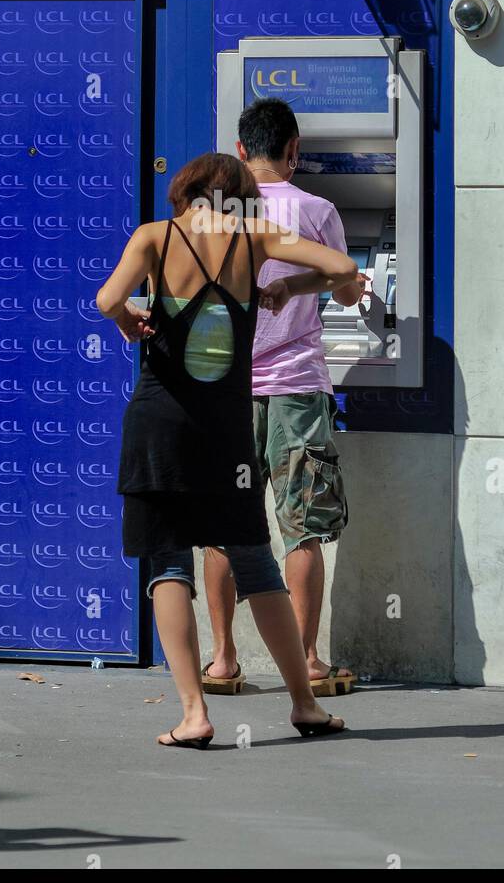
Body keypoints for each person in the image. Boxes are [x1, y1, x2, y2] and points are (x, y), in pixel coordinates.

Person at [95, 150, 360, 748]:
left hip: (158, 425)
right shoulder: (256, 237)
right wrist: (293, 285)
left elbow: (107, 300)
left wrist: (130, 321)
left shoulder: (154, 238)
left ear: (187, 192)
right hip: (227, 433)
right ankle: (303, 705)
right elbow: (343, 266)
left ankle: (194, 714)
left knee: (167, 564)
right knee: (257, 564)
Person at [203, 99, 366, 697]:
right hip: (298, 386)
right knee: (303, 529)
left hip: (226, 392)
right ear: (294, 151)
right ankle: (307, 663)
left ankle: (222, 662)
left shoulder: (219, 216)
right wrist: (350, 285)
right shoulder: (318, 210)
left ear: (242, 152)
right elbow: (348, 292)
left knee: (222, 524)